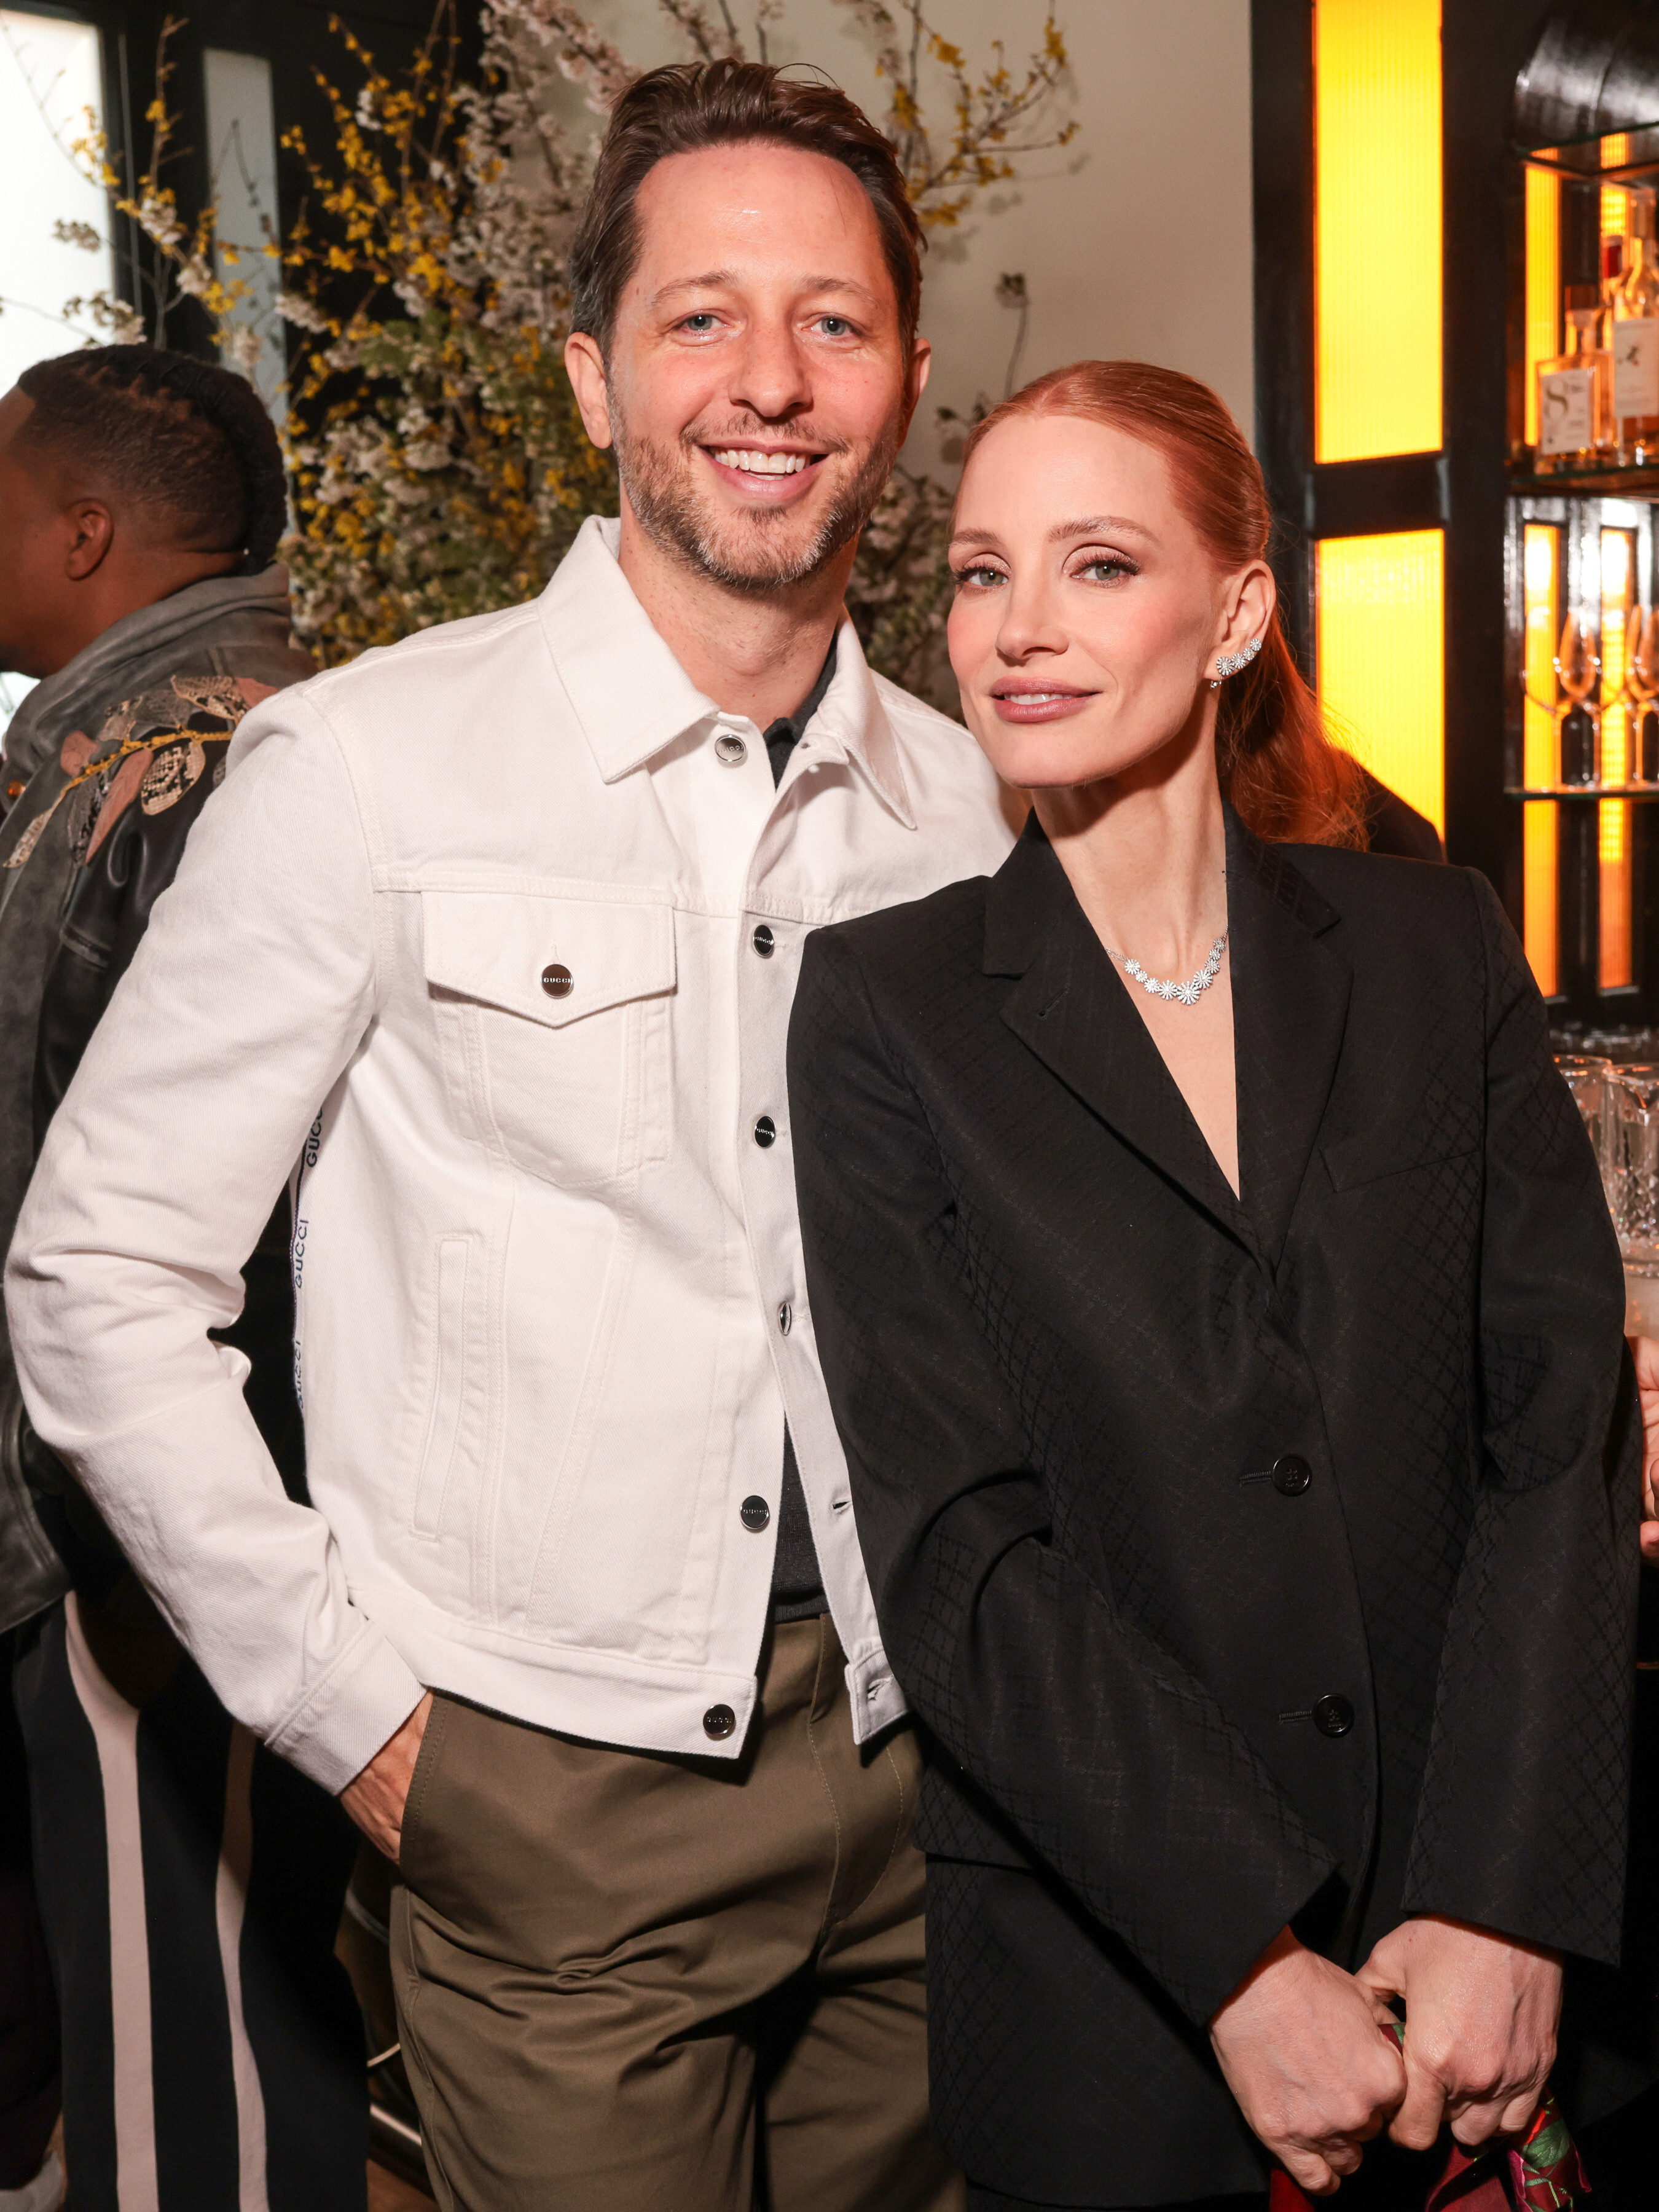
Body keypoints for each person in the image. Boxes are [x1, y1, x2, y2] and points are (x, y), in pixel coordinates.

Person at [5, 63, 1018, 2211]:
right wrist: (361, 1723)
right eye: (699, 316)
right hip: (543, 1795)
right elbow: (99, 1274)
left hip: (927, 1771)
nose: (771, 380)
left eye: (832, 321)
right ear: (590, 376)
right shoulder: (364, 767)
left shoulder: (963, 814)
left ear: (906, 381)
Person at [787, 359, 1647, 2211]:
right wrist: (1243, 1957)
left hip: (1464, 1950)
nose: (1019, 628)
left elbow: (1558, 1434)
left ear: (1238, 613)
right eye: (981, 572)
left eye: (1096, 565)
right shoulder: (886, 1010)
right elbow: (958, 1549)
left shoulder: (1431, 946)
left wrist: (1502, 1893)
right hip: (1111, 1998)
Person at [0, 346, 367, 2210]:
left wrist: (173, 1562)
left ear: (83, 531)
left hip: (158, 1549)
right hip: (122, 1535)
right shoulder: (126, 760)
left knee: (199, 2095)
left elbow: (250, 1242)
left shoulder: (199, 776)